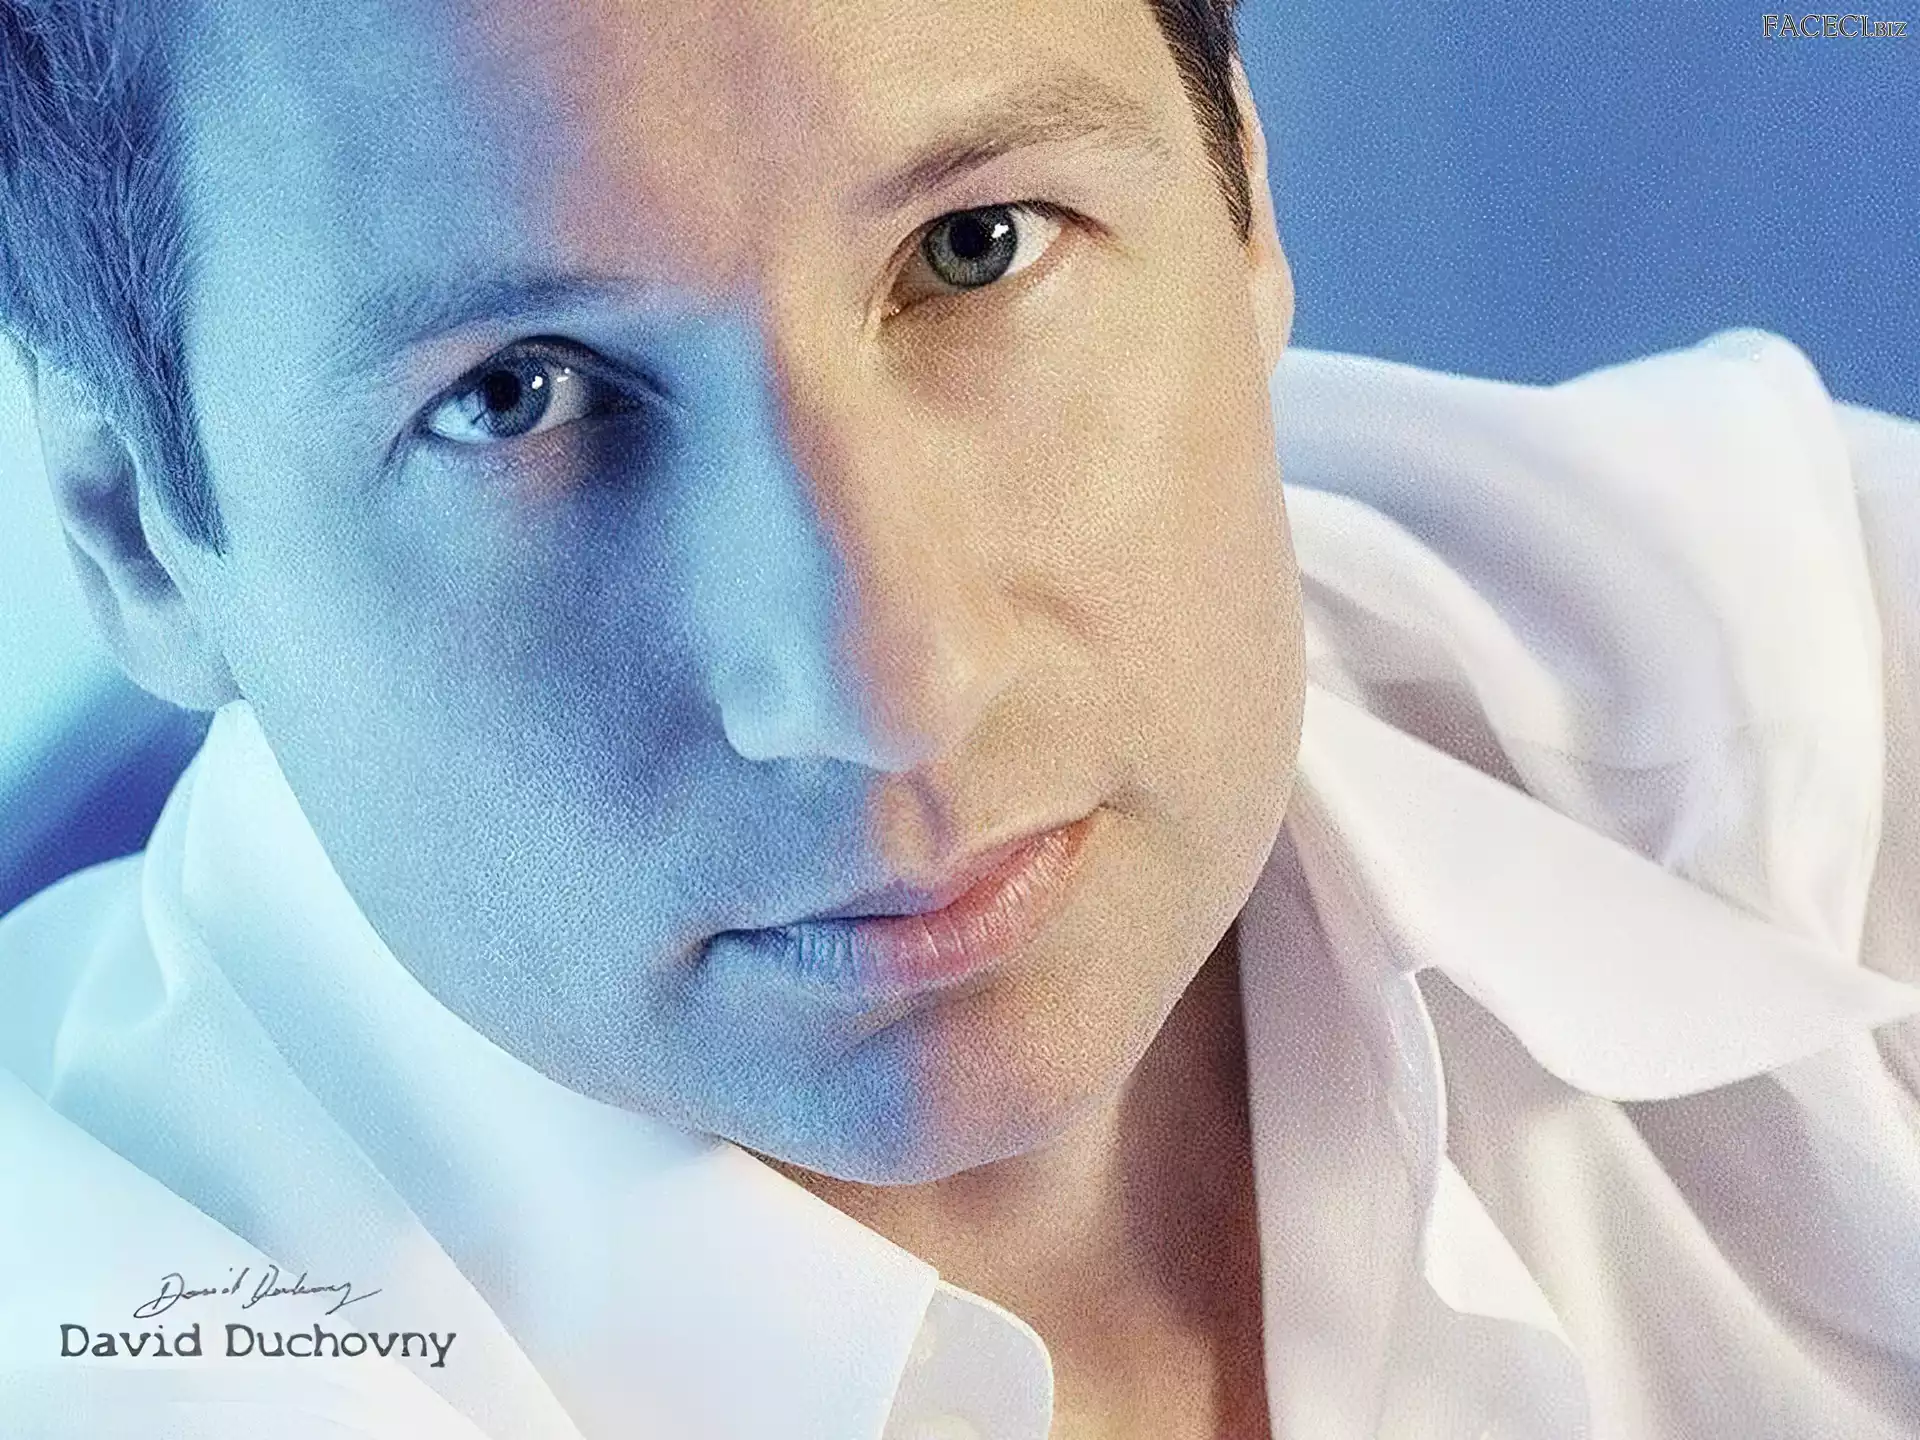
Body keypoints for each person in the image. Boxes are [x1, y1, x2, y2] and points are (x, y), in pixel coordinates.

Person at [1, 0, 1917, 1436]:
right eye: (515, 394)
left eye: (978, 244)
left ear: (1243, 203)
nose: (892, 686)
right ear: (133, 533)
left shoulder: (1795, 681)